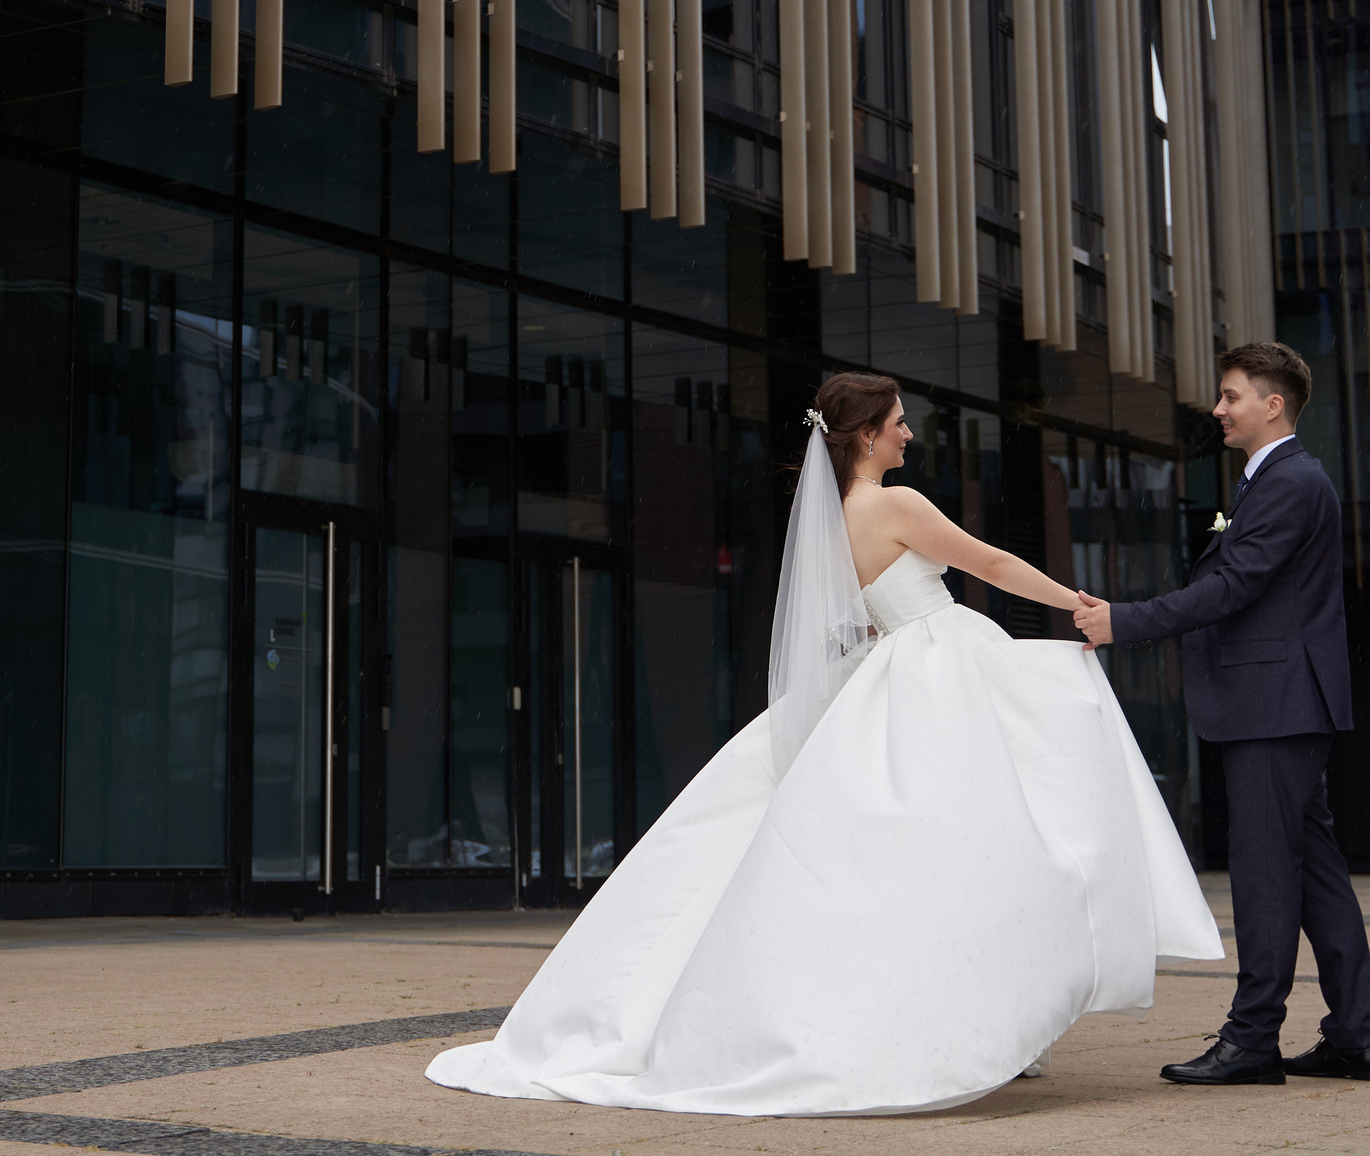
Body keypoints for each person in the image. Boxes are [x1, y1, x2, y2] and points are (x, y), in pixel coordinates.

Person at [424, 372, 1220, 1116]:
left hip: (885, 671)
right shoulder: (895, 504)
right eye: (899, 423)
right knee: (994, 831)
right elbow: (990, 562)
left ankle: (981, 1009)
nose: (909, 435)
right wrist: (1078, 603)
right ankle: (993, 1003)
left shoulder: (832, 520)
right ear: (868, 434)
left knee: (935, 858)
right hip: (933, 664)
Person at [1072, 341, 1370, 1087]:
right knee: (1315, 879)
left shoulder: (1289, 482)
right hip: (1279, 702)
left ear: (1271, 404)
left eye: (1231, 395)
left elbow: (1235, 584)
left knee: (1266, 876)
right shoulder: (1267, 482)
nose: (1218, 408)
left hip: (1274, 706)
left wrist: (1127, 619)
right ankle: (1355, 1037)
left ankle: (1252, 1040)